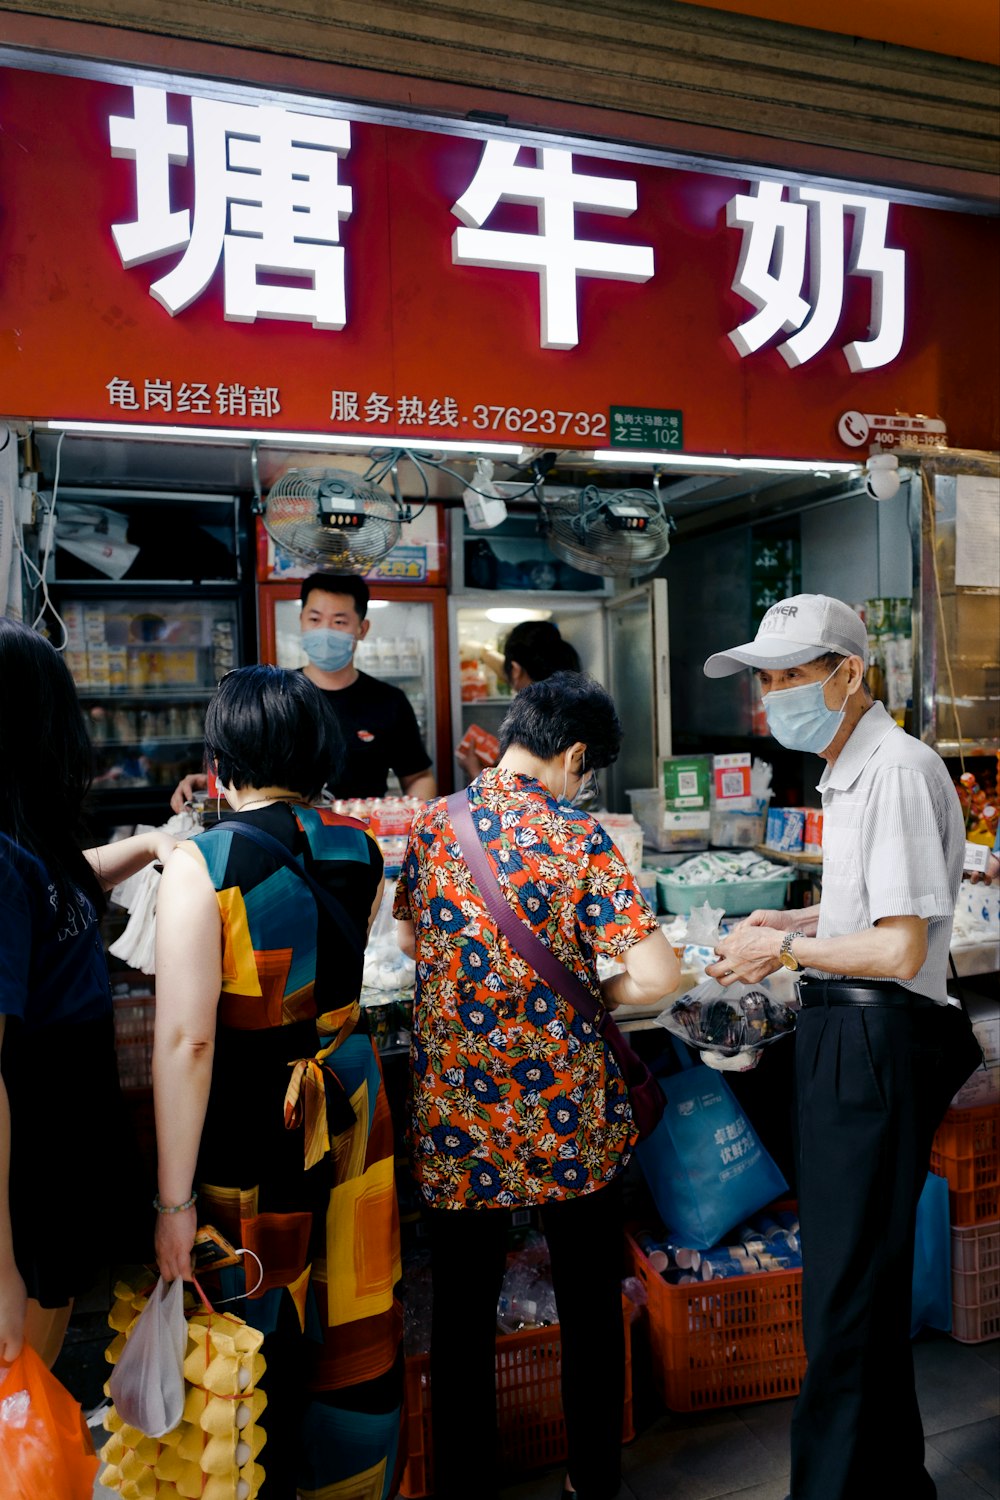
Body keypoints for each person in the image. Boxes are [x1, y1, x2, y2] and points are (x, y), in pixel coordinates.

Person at [701, 594, 982, 1500]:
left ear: (849, 674)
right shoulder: (849, 766)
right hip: (850, 1030)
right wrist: (797, 916)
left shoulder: (893, 770)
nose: (774, 695)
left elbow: (900, 948)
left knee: (844, 1302)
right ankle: (894, 1484)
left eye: (791, 675)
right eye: (767, 680)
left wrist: (779, 949)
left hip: (875, 1037)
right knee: (856, 1284)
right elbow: (879, 905)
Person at [394, 672, 680, 1500]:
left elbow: (412, 939)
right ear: (576, 755)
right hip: (566, 1115)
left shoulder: (435, 824)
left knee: (460, 1313)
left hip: (458, 1115)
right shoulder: (578, 835)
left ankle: (465, 1485)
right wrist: (601, 990)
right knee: (590, 1303)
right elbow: (658, 974)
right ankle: (592, 1481)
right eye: (586, 773)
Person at [152, 665, 403, 1500]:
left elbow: (188, 1041)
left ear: (222, 761)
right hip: (350, 1097)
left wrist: (173, 1203)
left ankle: (253, 1482)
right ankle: (351, 1480)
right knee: (352, 1300)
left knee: (247, 1316)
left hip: (257, 1118)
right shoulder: (358, 846)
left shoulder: (203, 862)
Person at [0, 617, 176, 1368]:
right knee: (21, 1394)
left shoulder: (28, 841)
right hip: (32, 1170)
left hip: (64, 1151)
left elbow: (66, 881)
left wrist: (150, 844)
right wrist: (4, 1265)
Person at [170, 571, 436, 812]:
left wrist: (408, 821)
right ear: (302, 622)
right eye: (315, 619)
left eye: (340, 622)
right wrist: (211, 783)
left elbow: (418, 777)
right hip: (291, 839)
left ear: (362, 629)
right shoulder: (275, 695)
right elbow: (251, 770)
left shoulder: (389, 701)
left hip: (363, 839)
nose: (325, 631)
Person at [456, 619, 582, 779]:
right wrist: (484, 652)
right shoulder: (570, 704)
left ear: (515, 670)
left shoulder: (534, 721)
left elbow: (518, 800)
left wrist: (473, 770)